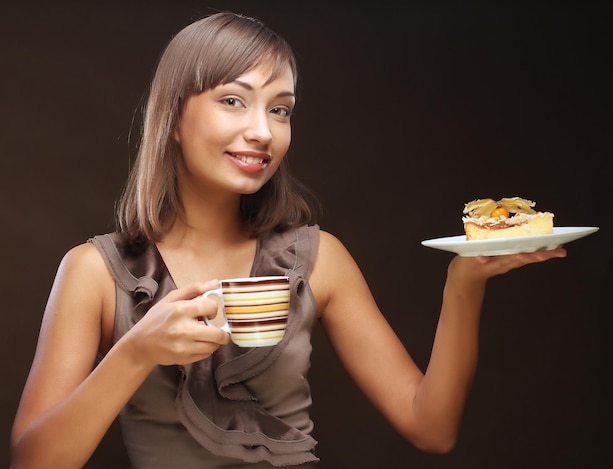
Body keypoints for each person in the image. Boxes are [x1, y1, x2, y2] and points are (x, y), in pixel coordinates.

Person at [9, 11, 567, 469]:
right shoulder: (94, 271)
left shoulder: (319, 259)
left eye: (281, 110)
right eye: (234, 100)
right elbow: (33, 461)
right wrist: (135, 352)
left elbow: (432, 429)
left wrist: (462, 284)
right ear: (173, 117)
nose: (263, 131)